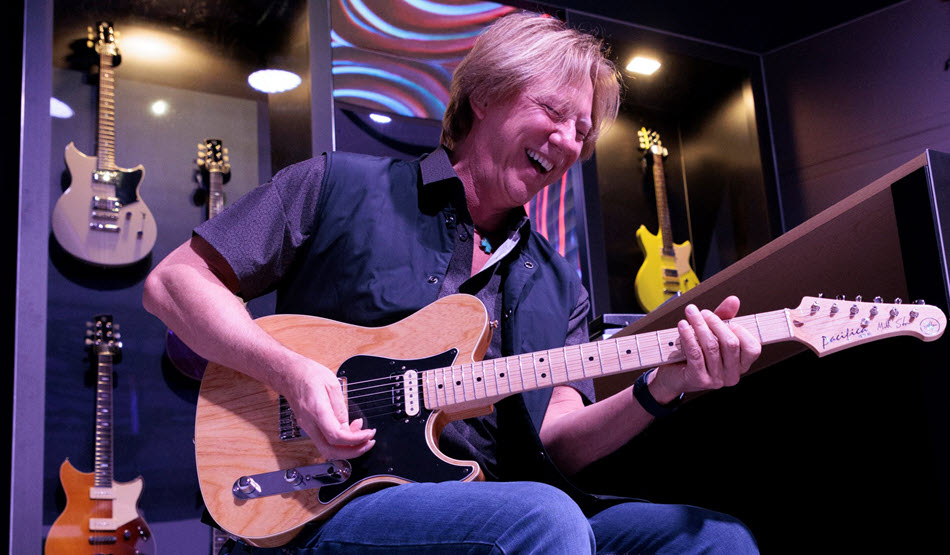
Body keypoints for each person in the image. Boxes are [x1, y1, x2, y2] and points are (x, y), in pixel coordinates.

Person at [144, 12, 762, 554]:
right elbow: (175, 282)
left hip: (494, 502)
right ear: (487, 95)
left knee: (714, 537)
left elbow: (558, 442)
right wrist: (290, 373)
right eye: (553, 111)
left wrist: (664, 384)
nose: (570, 141)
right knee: (542, 519)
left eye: (584, 129)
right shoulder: (338, 186)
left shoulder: (559, 286)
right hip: (326, 500)